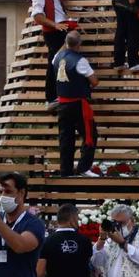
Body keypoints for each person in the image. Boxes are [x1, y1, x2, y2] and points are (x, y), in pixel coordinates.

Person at [28, 0, 78, 105]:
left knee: (64, 58)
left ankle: (62, 91)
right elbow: (37, 16)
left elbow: (57, 0)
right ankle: (51, 97)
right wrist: (54, 25)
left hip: (62, 26)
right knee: (54, 62)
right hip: (52, 31)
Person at [50, 29, 98, 177]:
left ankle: (66, 170)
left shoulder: (57, 57)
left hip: (62, 104)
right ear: (79, 44)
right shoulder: (80, 60)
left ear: (65, 43)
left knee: (66, 139)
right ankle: (83, 167)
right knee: (90, 135)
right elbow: (94, 81)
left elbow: (60, 55)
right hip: (78, 104)